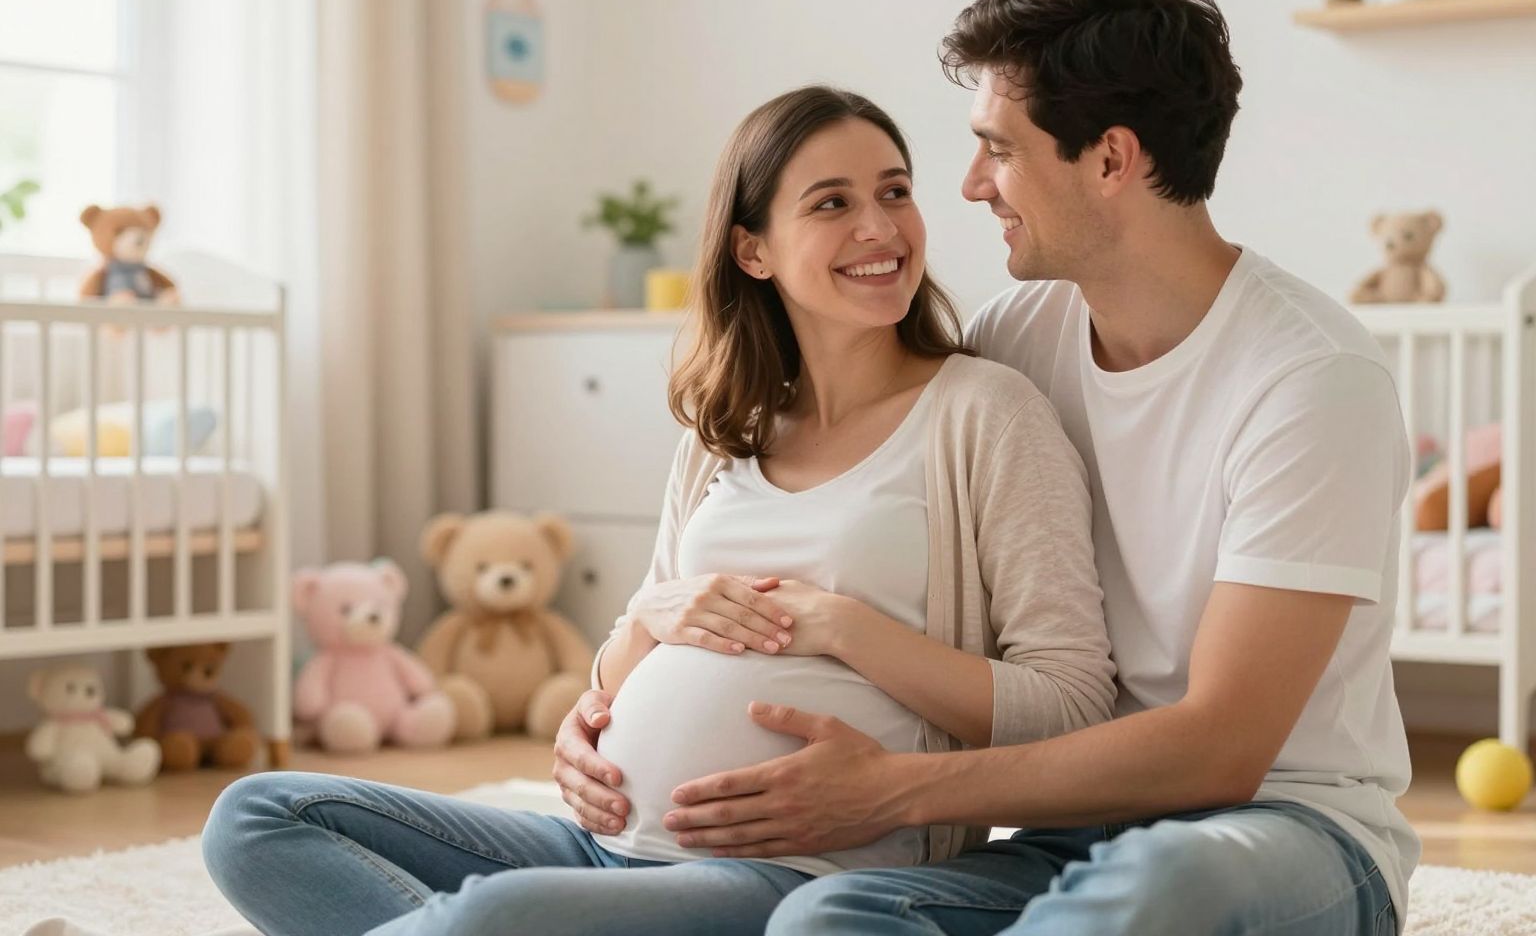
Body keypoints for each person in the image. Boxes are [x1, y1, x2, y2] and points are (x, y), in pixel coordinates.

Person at [556, 0, 1418, 936]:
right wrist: (645, 646)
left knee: (1160, 887)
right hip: (1073, 827)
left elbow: (1221, 752)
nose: (969, 187)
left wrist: (895, 789)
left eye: (996, 150)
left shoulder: (1308, 378)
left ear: (1110, 160)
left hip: (1282, 828)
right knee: (826, 919)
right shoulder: (1016, 338)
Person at [201, 85, 1116, 936]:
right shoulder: (726, 431)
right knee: (255, 818)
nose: (880, 227)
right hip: (603, 841)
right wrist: (612, 673)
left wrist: (842, 628)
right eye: (832, 202)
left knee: (496, 920)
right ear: (751, 249)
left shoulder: (985, 414)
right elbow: (618, 667)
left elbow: (1072, 707)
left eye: (895, 191)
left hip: (789, 871)